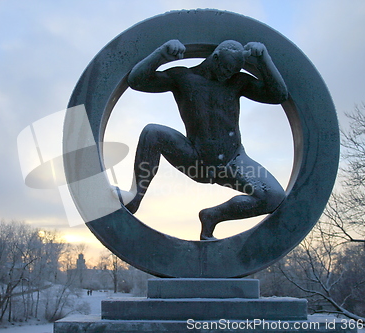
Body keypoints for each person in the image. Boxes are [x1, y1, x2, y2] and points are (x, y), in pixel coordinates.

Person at [114, 39, 288, 240]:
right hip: (195, 157)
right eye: (225, 68)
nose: (227, 74)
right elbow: (137, 81)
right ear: (215, 57)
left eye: (233, 71)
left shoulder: (237, 81)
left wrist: (264, 59)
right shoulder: (184, 77)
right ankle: (135, 198)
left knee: (273, 196)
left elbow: (279, 95)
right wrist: (161, 54)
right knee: (152, 132)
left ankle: (212, 216)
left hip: (233, 160)